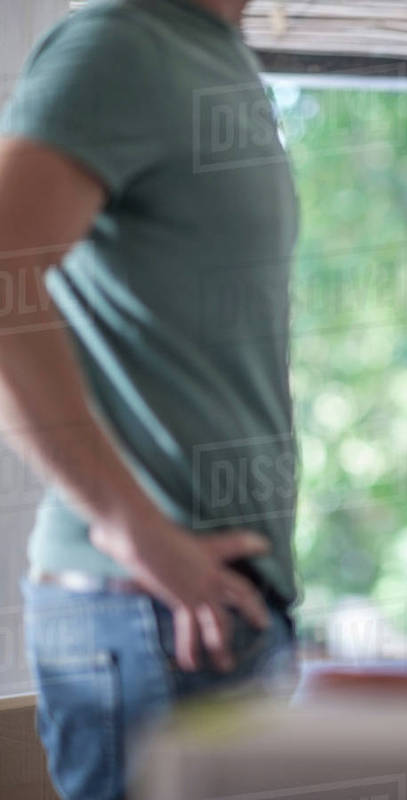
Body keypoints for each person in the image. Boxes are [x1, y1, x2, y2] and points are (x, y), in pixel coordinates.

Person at [0, 0, 299, 797]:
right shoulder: (121, 42)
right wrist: (132, 529)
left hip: (216, 614)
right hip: (149, 615)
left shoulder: (215, 56)